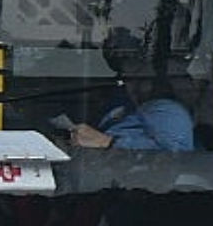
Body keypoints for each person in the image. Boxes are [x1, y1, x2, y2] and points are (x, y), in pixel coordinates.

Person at [66, 25, 197, 151]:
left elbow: (176, 156)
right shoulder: (123, 104)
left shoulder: (167, 110)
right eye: (127, 79)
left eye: (138, 78)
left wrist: (108, 142)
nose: (131, 85)